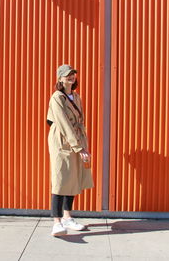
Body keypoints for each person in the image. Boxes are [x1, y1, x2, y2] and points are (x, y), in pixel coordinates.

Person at [46, 64, 94, 236]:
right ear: (60, 78)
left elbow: (79, 120)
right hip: (61, 141)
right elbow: (63, 124)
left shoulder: (76, 96)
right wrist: (78, 147)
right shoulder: (57, 97)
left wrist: (83, 143)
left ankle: (67, 217)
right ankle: (56, 222)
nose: (71, 77)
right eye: (67, 75)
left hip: (76, 139)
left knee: (72, 178)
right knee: (60, 179)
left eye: (73, 74)